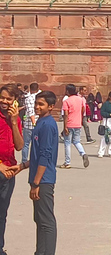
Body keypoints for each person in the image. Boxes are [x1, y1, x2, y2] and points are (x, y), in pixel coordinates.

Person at [11, 90, 59, 255]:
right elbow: (38, 155)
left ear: (51, 107)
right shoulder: (41, 122)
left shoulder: (47, 125)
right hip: (39, 176)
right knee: (39, 218)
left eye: (41, 104)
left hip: (43, 179)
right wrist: (23, 166)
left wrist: (36, 183)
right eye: (36, 103)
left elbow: (45, 156)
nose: (37, 107)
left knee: (46, 220)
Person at [0, 84, 23, 254]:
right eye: (2, 98)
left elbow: (19, 146)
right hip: (1, 167)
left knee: (2, 213)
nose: (4, 101)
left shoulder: (14, 119)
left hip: (9, 171)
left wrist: (14, 122)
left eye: (9, 99)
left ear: (15, 101)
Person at [60, 84, 89, 170]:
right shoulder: (80, 99)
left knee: (67, 143)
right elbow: (83, 109)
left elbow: (65, 115)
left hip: (69, 124)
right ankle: (83, 153)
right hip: (77, 123)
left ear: (68, 91)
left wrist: (65, 127)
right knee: (76, 141)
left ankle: (67, 162)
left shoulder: (67, 101)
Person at [21, 82, 39, 164]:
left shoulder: (28, 98)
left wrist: (33, 123)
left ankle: (24, 160)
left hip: (29, 124)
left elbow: (31, 112)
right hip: (37, 123)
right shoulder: (39, 98)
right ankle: (35, 159)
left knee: (26, 144)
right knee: (36, 144)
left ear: (30, 89)